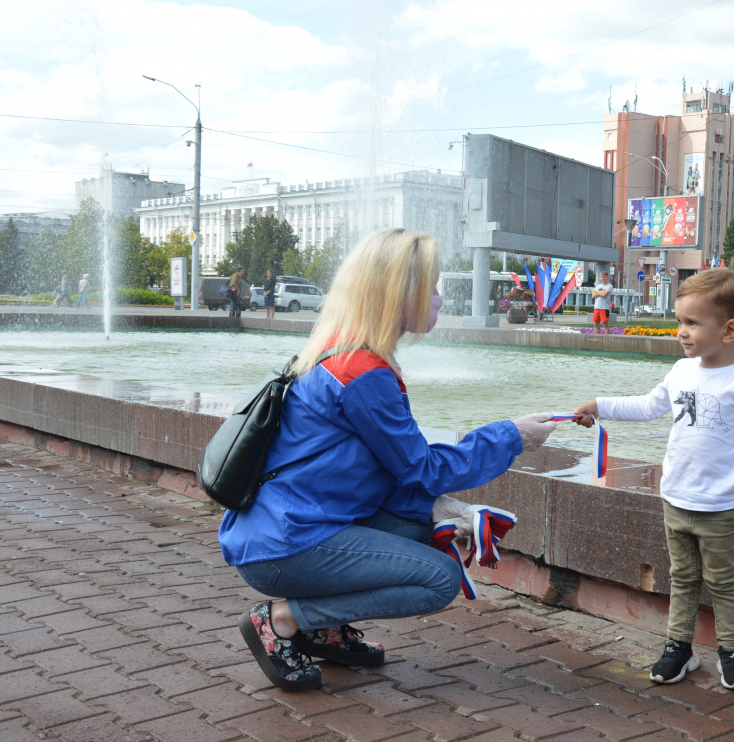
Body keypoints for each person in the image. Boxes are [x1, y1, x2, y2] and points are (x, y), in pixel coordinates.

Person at [220, 228, 558, 691]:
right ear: (400, 293)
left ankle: (325, 629)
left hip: (280, 530)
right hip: (287, 544)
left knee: (428, 531)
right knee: (438, 579)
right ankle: (283, 618)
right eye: (432, 288)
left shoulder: (338, 349)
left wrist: (440, 509)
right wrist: (512, 436)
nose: (440, 299)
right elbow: (422, 467)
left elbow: (383, 468)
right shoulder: (362, 372)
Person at [573, 268, 734, 690]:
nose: (681, 332)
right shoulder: (683, 370)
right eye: (680, 321)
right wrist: (598, 405)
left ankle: (731, 652)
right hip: (676, 497)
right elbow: (648, 406)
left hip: (721, 504)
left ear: (729, 329)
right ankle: (678, 648)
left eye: (692, 323)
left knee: (723, 580)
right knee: (682, 577)